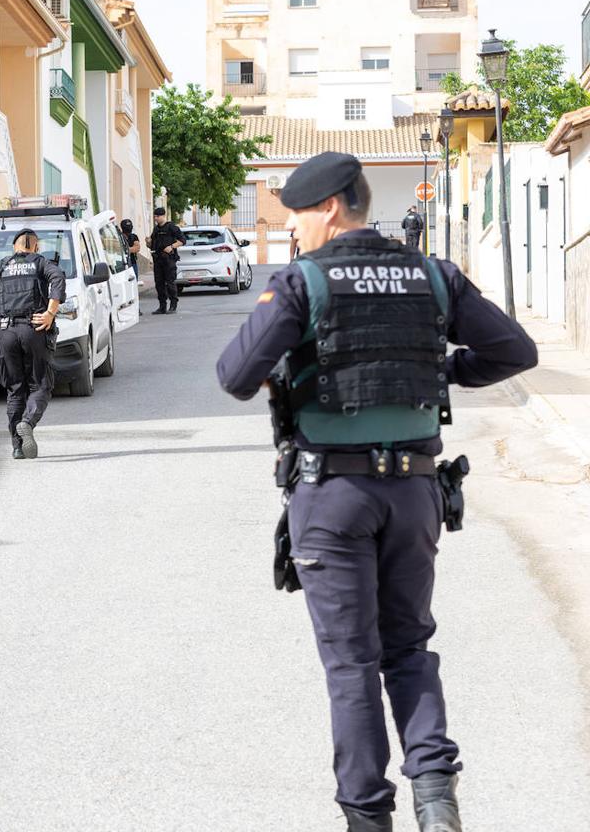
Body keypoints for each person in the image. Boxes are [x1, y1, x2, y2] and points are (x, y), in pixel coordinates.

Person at [215, 152, 537, 831]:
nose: (291, 227)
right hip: (415, 493)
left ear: (329, 207)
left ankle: (367, 817)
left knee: (352, 662)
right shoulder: (434, 276)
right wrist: (438, 367)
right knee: (408, 647)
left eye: (296, 213)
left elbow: (236, 374)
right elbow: (514, 352)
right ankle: (435, 797)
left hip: (332, 496)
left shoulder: (304, 281)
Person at [0, 228, 66, 459]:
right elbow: (58, 279)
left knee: (15, 390)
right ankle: (28, 422)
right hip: (33, 329)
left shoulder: (0, 266)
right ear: (35, 246)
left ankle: (17, 447)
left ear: (14, 247)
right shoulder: (40, 263)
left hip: (5, 333)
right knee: (40, 385)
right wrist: (50, 313)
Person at [147, 207, 184, 314]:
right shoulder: (156, 229)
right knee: (159, 284)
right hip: (158, 260)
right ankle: (162, 306)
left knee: (170, 283)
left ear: (163, 216)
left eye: (157, 216)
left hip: (169, 259)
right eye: (154, 216)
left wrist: (172, 246)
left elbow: (182, 240)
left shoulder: (171, 227)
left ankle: (173, 305)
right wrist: (148, 242)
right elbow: (152, 245)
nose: (155, 218)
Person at [121, 218, 144, 315]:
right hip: (121, 265)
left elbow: (137, 248)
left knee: (133, 286)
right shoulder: (119, 236)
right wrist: (130, 249)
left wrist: (125, 250)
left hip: (132, 264)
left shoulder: (133, 236)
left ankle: (136, 308)